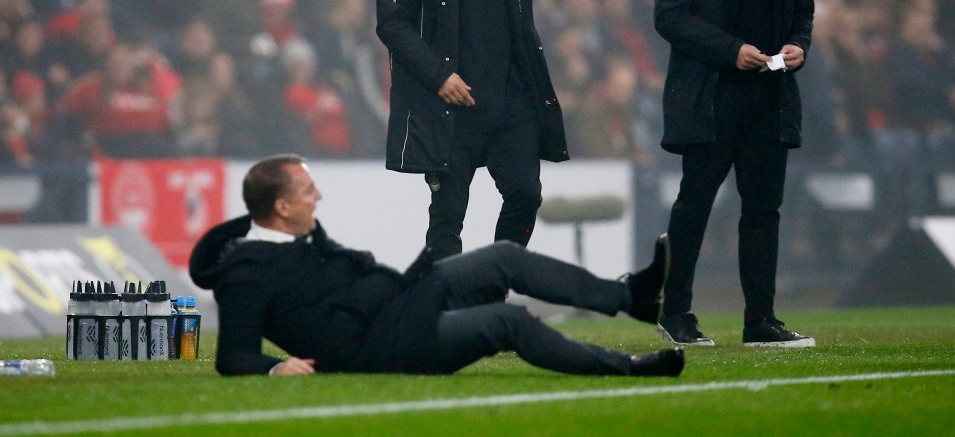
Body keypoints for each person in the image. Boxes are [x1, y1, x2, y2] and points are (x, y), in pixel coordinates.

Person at [189, 154, 683, 377]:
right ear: (281, 208)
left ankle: (630, 298)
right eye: (306, 190)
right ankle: (630, 368)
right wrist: (276, 369)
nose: (317, 195)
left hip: (402, 303)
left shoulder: (298, 235)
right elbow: (234, 356)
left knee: (503, 258)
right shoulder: (246, 272)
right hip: (386, 347)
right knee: (508, 320)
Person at [652, 0, 815, 347]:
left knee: (763, 210)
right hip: (710, 96)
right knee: (695, 205)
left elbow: (802, 9)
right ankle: (675, 312)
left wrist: (797, 45)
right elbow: (670, 17)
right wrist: (731, 50)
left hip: (769, 96)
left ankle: (760, 321)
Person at [375, 0, 568, 260]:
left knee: (526, 195)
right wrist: (438, 76)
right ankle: (442, 311)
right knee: (448, 219)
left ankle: (491, 287)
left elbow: (522, 21)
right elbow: (391, 21)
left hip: (508, 101)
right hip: (450, 105)